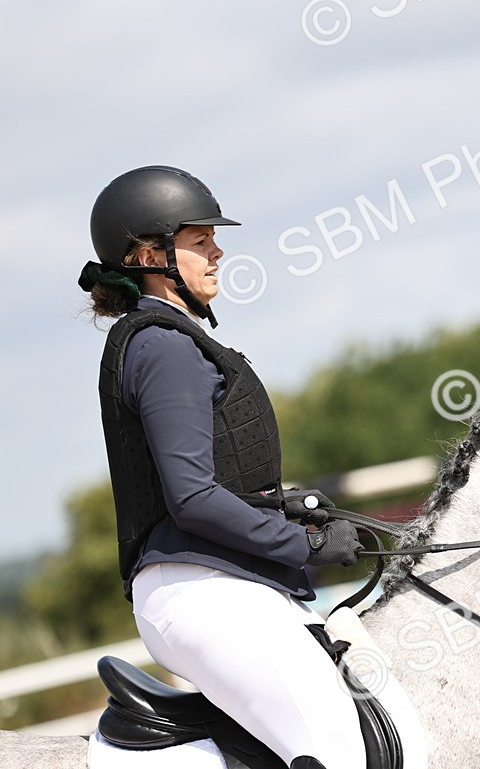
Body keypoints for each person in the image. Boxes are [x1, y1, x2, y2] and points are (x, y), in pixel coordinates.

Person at [78, 165, 368, 769]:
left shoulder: (174, 337)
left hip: (223, 583)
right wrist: (303, 542)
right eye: (200, 240)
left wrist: (279, 505)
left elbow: (216, 481)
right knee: (334, 749)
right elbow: (192, 499)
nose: (218, 251)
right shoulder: (162, 346)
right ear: (149, 254)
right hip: (198, 590)